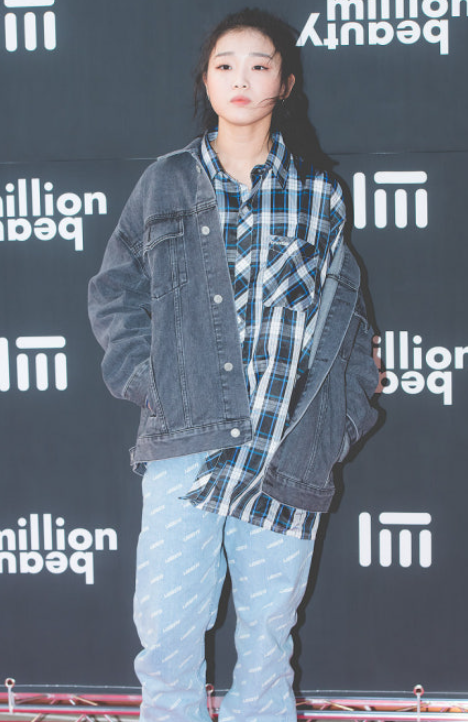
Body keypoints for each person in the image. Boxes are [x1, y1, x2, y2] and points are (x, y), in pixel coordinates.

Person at [88, 7, 379, 722]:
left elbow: (347, 321)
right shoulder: (166, 182)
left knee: (267, 644)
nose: (241, 78)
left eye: (259, 64)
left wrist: (338, 425)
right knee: (166, 639)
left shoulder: (318, 193)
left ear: (285, 82)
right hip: (187, 443)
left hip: (288, 451)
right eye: (225, 65)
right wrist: (153, 385)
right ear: (207, 80)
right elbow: (115, 293)